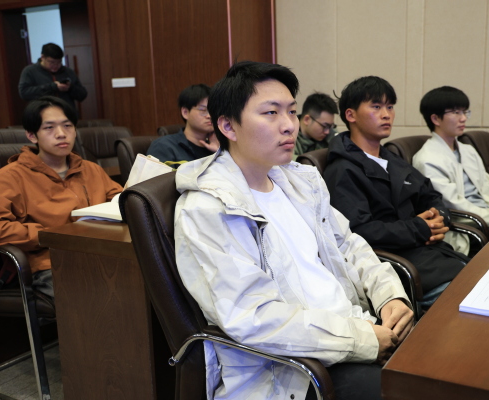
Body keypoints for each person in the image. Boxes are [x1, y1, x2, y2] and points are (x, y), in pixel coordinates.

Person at [174, 62, 414, 400]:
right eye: (271, 113)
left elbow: (349, 245)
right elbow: (254, 318)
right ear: (228, 126)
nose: (289, 125)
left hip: (356, 328)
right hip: (295, 369)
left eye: (291, 111)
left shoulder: (300, 181)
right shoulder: (208, 208)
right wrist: (361, 339)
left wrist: (389, 295)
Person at [323, 76, 469, 311]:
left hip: (432, 253)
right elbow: (359, 232)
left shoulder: (391, 158)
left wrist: (439, 218)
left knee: (486, 280)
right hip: (397, 266)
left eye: (390, 107)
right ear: (351, 115)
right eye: (376, 106)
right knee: (475, 297)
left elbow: (429, 195)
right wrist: (419, 228)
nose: (386, 115)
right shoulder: (342, 170)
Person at [0, 96, 122, 299]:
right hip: (50, 262)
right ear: (31, 135)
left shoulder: (90, 169)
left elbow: (119, 200)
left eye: (67, 126)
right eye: (49, 128)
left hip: (103, 253)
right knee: (100, 297)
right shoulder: (10, 177)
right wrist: (49, 234)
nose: (61, 134)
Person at [413, 86, 489, 238]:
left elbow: (488, 187)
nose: (463, 118)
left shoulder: (468, 150)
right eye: (455, 112)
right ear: (435, 119)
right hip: (470, 224)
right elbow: (454, 205)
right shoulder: (427, 159)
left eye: (464, 112)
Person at [147, 84, 219, 167]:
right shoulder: (164, 146)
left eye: (213, 110)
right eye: (203, 110)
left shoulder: (219, 147)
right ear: (185, 112)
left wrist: (219, 152)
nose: (210, 116)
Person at [18, 43, 87, 113]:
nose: (56, 65)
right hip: (41, 114)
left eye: (59, 62)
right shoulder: (30, 71)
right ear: (42, 57)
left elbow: (82, 95)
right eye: (52, 62)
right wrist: (52, 87)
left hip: (66, 114)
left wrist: (70, 87)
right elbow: (24, 93)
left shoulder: (68, 72)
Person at [293, 92, 338, 159]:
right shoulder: (287, 137)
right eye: (324, 126)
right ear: (307, 120)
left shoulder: (331, 135)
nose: (327, 132)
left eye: (330, 126)